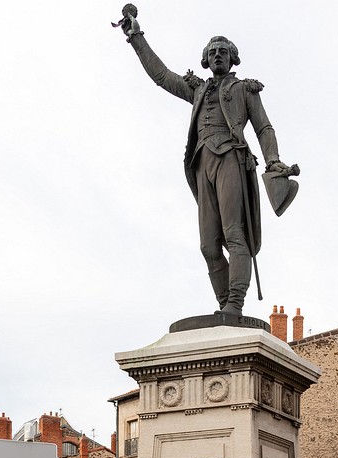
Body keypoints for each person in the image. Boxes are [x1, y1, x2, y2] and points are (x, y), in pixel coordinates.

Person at [119, 9, 297, 317]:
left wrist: (273, 160)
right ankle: (224, 306)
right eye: (212, 52)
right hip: (201, 163)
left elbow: (264, 128)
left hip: (231, 159)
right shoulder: (197, 89)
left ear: (232, 58)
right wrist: (136, 36)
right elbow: (161, 76)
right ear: (205, 59)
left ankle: (235, 303)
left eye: (223, 52)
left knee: (234, 233)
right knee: (208, 246)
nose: (217, 55)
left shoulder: (244, 89)